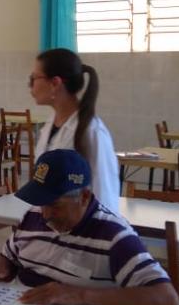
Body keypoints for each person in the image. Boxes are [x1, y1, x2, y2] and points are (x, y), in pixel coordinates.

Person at [0, 150, 179, 305]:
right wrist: (1, 265)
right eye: (41, 204)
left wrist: (80, 295)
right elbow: (11, 260)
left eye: (55, 205)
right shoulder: (33, 216)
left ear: (84, 197)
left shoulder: (114, 236)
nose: (46, 215)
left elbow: (168, 299)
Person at [30, 48, 120, 213]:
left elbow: (104, 196)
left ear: (55, 83)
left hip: (85, 233)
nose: (30, 86)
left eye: (34, 78)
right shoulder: (50, 126)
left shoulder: (92, 132)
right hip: (53, 226)